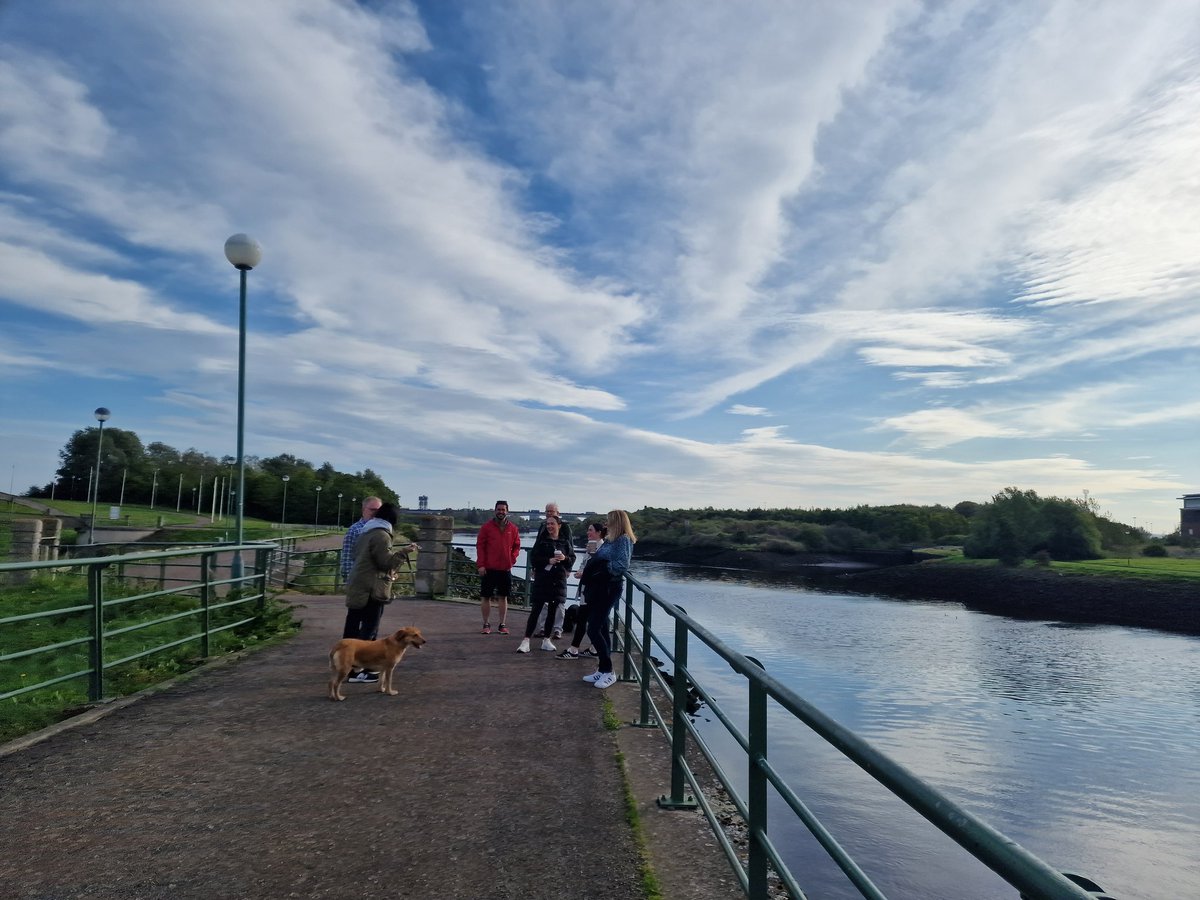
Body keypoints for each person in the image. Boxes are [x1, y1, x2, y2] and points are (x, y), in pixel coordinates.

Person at [342, 502, 417, 683]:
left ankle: (346, 667)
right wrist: (404, 552)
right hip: (371, 589)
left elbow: (361, 558)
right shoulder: (382, 535)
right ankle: (359, 672)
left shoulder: (366, 531)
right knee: (369, 629)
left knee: (352, 626)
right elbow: (386, 563)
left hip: (359, 585)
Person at [580, 510, 636, 689]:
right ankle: (603, 669)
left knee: (594, 628)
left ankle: (609, 671)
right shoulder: (611, 539)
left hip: (609, 588)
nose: (605, 523)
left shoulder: (623, 539)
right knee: (602, 628)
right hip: (600, 587)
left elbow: (622, 565)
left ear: (616, 521)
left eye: (608, 520)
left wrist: (602, 567)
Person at [517, 515, 576, 653]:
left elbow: (572, 558)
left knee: (552, 611)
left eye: (552, 524)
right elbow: (534, 558)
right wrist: (548, 561)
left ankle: (546, 640)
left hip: (558, 579)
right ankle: (526, 640)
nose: (549, 526)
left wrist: (564, 558)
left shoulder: (565, 541)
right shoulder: (542, 541)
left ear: (559, 525)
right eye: (547, 524)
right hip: (543, 579)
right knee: (536, 609)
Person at [556, 521, 606, 660]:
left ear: (598, 532)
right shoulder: (593, 545)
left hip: (592, 589)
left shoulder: (601, 548)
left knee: (585, 618)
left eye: (590, 530)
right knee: (590, 619)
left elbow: (597, 568)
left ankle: (574, 650)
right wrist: (581, 572)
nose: (587, 532)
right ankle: (592, 648)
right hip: (588, 588)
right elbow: (587, 564)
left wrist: (583, 574)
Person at [476, 499, 521, 635]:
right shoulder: (486, 527)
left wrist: (511, 559)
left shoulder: (513, 528)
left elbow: (516, 546)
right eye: (499, 509)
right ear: (495, 510)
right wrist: (481, 565)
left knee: (503, 597)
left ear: (507, 511)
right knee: (486, 597)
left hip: (505, 568)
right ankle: (486, 624)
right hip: (489, 568)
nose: (501, 512)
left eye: (503, 510)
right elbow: (480, 546)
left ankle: (502, 624)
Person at [533, 502, 573, 639]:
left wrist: (568, 567)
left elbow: (570, 549)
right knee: (544, 601)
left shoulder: (565, 528)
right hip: (544, 571)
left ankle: (557, 629)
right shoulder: (542, 526)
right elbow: (536, 549)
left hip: (560, 571)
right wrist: (536, 567)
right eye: (547, 511)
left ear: (557, 512)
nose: (549, 513)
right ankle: (543, 628)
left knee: (559, 601)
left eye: (551, 511)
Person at [341, 496, 383, 582]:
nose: (376, 513)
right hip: (359, 579)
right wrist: (350, 578)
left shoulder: (382, 529)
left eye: (378, 510)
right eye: (372, 510)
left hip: (378, 580)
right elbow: (347, 557)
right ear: (363, 510)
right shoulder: (355, 530)